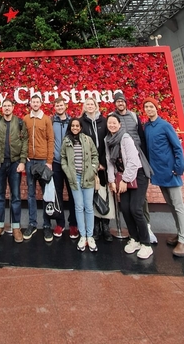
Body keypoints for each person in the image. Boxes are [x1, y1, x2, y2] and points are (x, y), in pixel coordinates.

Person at [143, 97, 184, 257]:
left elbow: (177, 147)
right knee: (171, 205)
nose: (149, 109)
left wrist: (179, 168)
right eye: (146, 107)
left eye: (151, 106)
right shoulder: (147, 127)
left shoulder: (165, 126)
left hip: (170, 172)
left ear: (156, 108)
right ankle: (181, 233)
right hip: (159, 173)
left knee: (178, 206)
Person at [105, 112, 153, 259]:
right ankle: (135, 239)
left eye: (115, 123)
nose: (112, 125)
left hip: (138, 175)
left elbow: (133, 161)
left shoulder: (125, 138)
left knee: (136, 209)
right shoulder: (108, 139)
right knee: (125, 208)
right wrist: (112, 180)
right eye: (110, 123)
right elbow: (109, 162)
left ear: (119, 125)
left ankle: (146, 243)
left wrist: (125, 180)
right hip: (123, 177)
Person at [113, 90, 157, 244]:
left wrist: (145, 159)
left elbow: (142, 137)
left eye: (122, 101)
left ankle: (147, 230)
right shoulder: (113, 119)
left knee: (139, 202)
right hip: (122, 163)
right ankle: (135, 237)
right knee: (127, 206)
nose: (120, 103)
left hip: (138, 160)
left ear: (126, 102)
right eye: (117, 101)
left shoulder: (133, 116)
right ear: (115, 103)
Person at [0, 98, 28, 242]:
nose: (7, 108)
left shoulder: (20, 122)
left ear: (13, 107)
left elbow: (24, 142)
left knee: (16, 196)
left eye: (9, 106)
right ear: (2, 108)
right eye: (4, 106)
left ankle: (16, 227)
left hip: (15, 163)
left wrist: (22, 161)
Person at [61, 118, 99, 252]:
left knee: (88, 207)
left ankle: (90, 236)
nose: (75, 128)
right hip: (74, 178)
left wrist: (93, 169)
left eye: (77, 125)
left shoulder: (87, 139)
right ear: (70, 127)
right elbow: (63, 158)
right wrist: (68, 171)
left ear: (81, 127)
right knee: (79, 206)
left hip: (87, 177)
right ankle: (82, 235)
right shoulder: (66, 141)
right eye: (73, 126)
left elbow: (95, 156)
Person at [22, 94, 54, 242]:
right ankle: (32, 223)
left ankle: (47, 225)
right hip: (30, 161)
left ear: (41, 103)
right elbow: (23, 138)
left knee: (46, 194)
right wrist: (25, 157)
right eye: (33, 101)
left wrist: (49, 161)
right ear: (30, 103)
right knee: (31, 194)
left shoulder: (46, 119)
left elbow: (50, 140)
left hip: (42, 162)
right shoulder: (26, 119)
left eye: (37, 101)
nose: (35, 104)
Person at [80, 97, 110, 241]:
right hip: (88, 164)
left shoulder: (104, 121)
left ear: (96, 106)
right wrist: (92, 163)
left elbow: (107, 143)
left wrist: (102, 162)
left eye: (92, 104)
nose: (90, 106)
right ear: (84, 107)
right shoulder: (80, 122)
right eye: (87, 104)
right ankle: (95, 226)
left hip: (103, 165)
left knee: (103, 193)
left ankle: (106, 225)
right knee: (91, 194)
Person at [51, 97, 78, 239]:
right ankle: (60, 223)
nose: (59, 107)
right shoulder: (51, 121)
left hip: (70, 164)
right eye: (57, 105)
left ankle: (73, 224)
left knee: (73, 193)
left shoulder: (72, 122)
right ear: (54, 107)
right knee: (58, 194)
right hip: (56, 162)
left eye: (61, 105)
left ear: (65, 106)